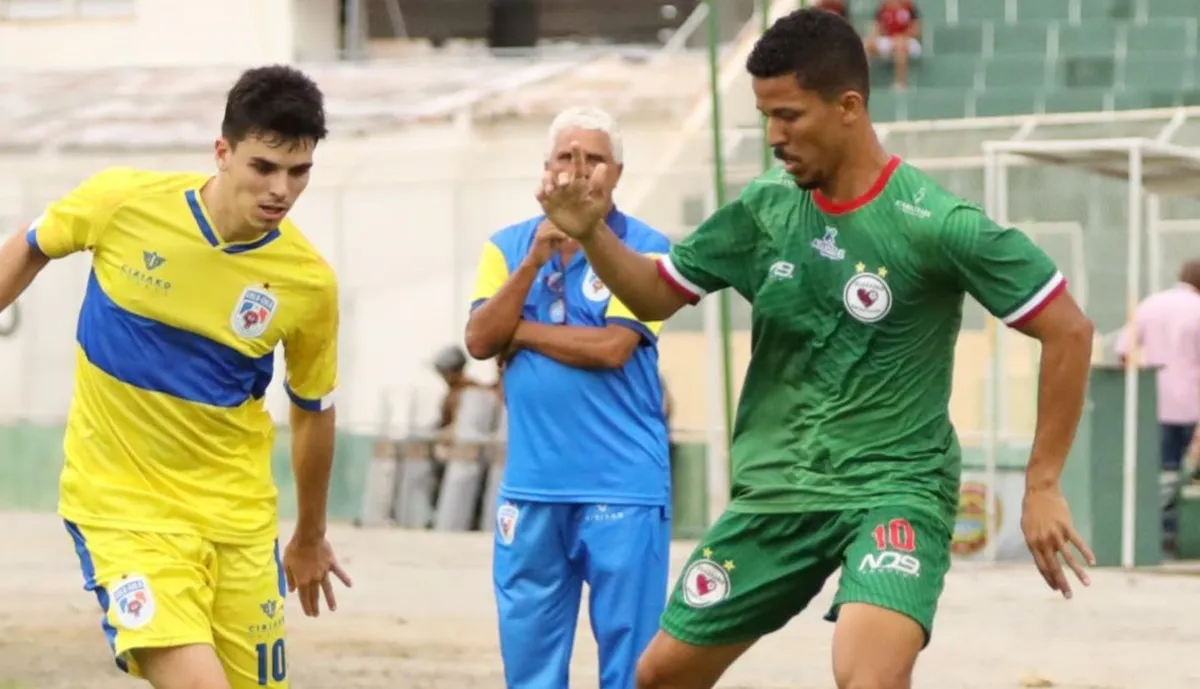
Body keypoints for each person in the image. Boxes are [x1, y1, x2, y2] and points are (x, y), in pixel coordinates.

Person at [535, 10, 1096, 689]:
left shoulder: (935, 224)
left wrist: (1041, 483)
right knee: (657, 678)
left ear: (849, 107)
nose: (774, 137)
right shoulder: (764, 211)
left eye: (790, 116)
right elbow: (655, 295)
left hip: (895, 486)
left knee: (868, 678)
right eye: (766, 116)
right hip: (776, 491)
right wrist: (595, 234)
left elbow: (1067, 328)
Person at [0, 65, 350, 689]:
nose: (281, 190)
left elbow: (312, 411)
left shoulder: (307, 283)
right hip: (124, 511)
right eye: (263, 166)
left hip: (238, 525)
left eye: (298, 172)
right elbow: (31, 244)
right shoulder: (122, 203)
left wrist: (310, 535)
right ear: (223, 152)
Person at [464, 106, 672, 689]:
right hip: (531, 489)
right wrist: (534, 258)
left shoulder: (647, 245)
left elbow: (611, 347)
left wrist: (521, 333)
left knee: (632, 665)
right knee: (530, 667)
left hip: (622, 488)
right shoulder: (505, 248)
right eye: (565, 157)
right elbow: (481, 340)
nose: (579, 171)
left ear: (618, 173)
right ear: (546, 169)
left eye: (595, 158)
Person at [1116, 260, 1200, 552]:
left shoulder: (1151, 305)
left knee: (1161, 471)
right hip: (1192, 405)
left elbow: (1123, 350)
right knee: (1189, 476)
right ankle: (1186, 536)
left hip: (1156, 403)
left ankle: (1161, 534)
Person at [865, 0, 922, 89]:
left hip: (908, 41)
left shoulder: (909, 6)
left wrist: (903, 36)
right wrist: (875, 37)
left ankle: (900, 83)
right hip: (889, 39)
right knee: (866, 44)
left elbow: (917, 30)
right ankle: (865, 82)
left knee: (900, 45)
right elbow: (876, 28)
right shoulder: (883, 7)